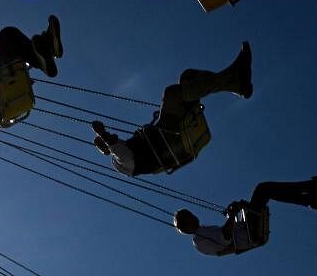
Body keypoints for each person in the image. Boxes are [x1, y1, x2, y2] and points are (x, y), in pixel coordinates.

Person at [91, 42, 252, 176]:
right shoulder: (121, 163)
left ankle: (237, 83)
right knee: (172, 93)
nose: (109, 139)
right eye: (104, 144)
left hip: (167, 133)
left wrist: (106, 139)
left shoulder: (124, 150)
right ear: (108, 151)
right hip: (170, 139)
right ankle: (236, 77)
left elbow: (118, 146)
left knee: (188, 77)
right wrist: (103, 134)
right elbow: (121, 152)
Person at [173, 163, 317, 256]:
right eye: (189, 216)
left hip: (246, 231)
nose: (193, 215)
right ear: (185, 225)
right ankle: (313, 191)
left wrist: (235, 213)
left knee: (265, 191)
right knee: (263, 189)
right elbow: (225, 237)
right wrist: (234, 214)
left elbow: (228, 235)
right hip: (249, 234)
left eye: (190, 213)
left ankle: (312, 199)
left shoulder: (203, 231)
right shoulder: (199, 240)